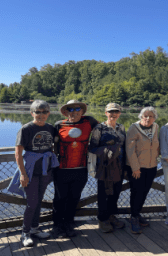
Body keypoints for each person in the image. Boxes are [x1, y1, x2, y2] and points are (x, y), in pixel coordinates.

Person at [8, 100, 59, 247]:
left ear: (49, 113)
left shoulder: (50, 128)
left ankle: (35, 229)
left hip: (45, 170)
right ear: (32, 113)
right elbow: (18, 153)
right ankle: (25, 233)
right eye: (38, 112)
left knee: (39, 201)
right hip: (30, 171)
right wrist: (23, 174)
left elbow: (54, 146)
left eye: (44, 112)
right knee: (32, 203)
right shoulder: (26, 129)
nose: (41, 115)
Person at [52, 100, 98, 238]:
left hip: (81, 168)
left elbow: (104, 131)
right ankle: (58, 226)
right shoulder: (59, 125)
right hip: (62, 169)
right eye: (70, 109)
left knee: (74, 198)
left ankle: (69, 224)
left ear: (82, 111)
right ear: (65, 112)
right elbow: (52, 144)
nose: (74, 112)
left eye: (78, 109)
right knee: (60, 199)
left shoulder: (89, 122)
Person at [88, 103, 126, 233]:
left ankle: (111, 216)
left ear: (119, 113)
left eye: (116, 111)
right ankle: (102, 219)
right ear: (106, 113)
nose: (113, 114)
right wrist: (108, 149)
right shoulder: (99, 128)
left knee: (115, 193)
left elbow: (124, 146)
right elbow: (92, 148)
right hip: (104, 166)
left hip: (119, 166)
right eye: (110, 112)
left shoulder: (121, 127)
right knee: (103, 194)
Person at [126, 107, 159, 234]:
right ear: (140, 116)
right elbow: (130, 149)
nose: (147, 118)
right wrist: (135, 167)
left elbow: (157, 145)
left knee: (144, 192)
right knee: (136, 192)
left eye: (151, 116)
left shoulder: (155, 127)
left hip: (151, 166)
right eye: (145, 116)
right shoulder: (134, 128)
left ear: (154, 118)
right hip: (137, 168)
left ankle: (137, 213)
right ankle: (133, 217)